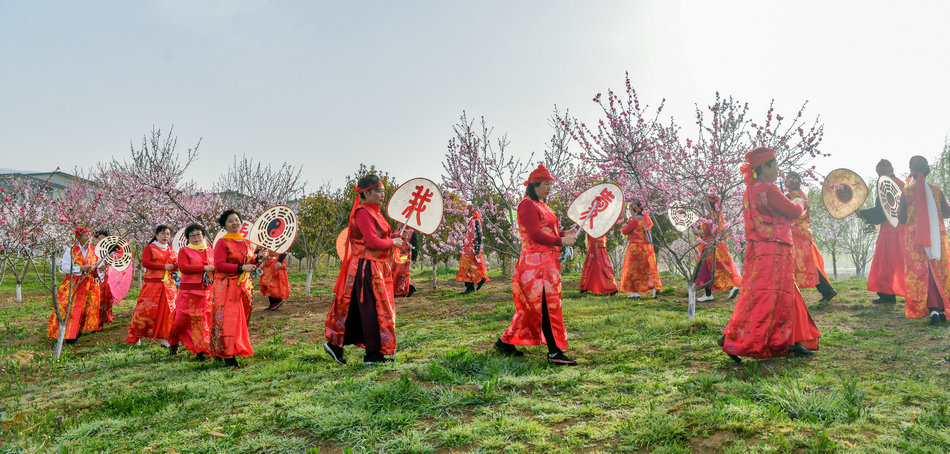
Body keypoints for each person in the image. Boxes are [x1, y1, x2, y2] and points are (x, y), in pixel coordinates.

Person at [720, 147, 820, 361]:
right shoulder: (769, 190)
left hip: (758, 250)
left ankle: (792, 341)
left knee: (773, 293)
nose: (777, 170)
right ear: (764, 167)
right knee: (769, 296)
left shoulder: (751, 190)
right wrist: (800, 201)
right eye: (774, 165)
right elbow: (793, 212)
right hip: (775, 249)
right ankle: (734, 337)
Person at [494, 164, 580, 366]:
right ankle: (554, 352)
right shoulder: (527, 205)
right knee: (546, 307)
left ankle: (505, 343)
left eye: (551, 184)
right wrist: (561, 242)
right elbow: (534, 234)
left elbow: (550, 232)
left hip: (548, 265)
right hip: (535, 267)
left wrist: (565, 234)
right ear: (534, 185)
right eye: (545, 184)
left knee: (533, 308)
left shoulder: (544, 205)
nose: (549, 188)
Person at [324, 175, 405, 365]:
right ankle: (372, 355)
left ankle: (336, 345)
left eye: (383, 190)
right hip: (366, 267)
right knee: (372, 310)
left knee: (358, 309)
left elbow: (380, 238)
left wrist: (396, 237)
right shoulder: (362, 213)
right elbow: (373, 241)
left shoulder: (376, 212)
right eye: (378, 190)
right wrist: (392, 241)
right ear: (366, 193)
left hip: (377, 267)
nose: (382, 194)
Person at [898, 156, 950, 325]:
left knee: (922, 272)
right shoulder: (936, 190)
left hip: (915, 240)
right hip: (938, 238)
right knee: (938, 270)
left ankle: (930, 309)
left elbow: (902, 218)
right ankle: (940, 308)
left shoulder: (907, 192)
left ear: (911, 171)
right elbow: (947, 212)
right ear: (926, 170)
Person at [210, 210, 257, 366]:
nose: (235, 223)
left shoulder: (247, 243)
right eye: (230, 221)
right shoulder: (222, 243)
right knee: (228, 320)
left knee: (240, 320)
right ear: (224, 225)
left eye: (237, 220)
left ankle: (233, 348)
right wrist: (241, 267)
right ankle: (227, 354)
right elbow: (219, 265)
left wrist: (257, 260)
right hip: (227, 286)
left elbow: (251, 262)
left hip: (244, 286)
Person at [857, 159, 906, 304]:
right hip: (901, 228)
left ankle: (887, 295)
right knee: (897, 263)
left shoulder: (885, 185)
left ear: (889, 170)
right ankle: (889, 294)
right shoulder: (902, 184)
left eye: (880, 172)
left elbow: (883, 211)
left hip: (890, 231)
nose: (879, 175)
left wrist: (863, 213)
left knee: (886, 262)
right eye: (878, 172)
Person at [784, 172, 837, 302]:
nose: (786, 182)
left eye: (789, 180)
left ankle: (827, 291)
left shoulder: (791, 196)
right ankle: (827, 291)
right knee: (806, 265)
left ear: (796, 181)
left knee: (803, 265)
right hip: (803, 234)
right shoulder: (801, 195)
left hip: (796, 235)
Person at [125, 225, 178, 347]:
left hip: (168, 285)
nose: (166, 236)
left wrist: (175, 266)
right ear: (156, 234)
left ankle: (165, 338)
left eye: (168, 234)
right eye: (163, 233)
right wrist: (163, 267)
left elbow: (174, 265)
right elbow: (146, 263)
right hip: (152, 284)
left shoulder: (171, 250)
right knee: (145, 310)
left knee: (168, 311)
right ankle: (136, 335)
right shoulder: (150, 248)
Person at [47, 227, 101, 344]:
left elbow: (98, 269)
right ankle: (69, 336)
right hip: (74, 284)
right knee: (71, 310)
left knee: (86, 310)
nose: (89, 238)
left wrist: (101, 269)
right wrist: (80, 268)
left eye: (90, 236)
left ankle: (78, 332)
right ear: (78, 238)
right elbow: (65, 267)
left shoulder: (95, 251)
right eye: (86, 236)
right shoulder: (71, 250)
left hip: (90, 285)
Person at [168, 224, 214, 360]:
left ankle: (201, 349)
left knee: (202, 320)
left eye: (198, 234)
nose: (196, 238)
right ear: (188, 238)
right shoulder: (184, 251)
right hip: (189, 291)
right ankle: (174, 340)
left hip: (207, 291)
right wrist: (204, 268)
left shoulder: (211, 251)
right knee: (182, 319)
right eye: (192, 236)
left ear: (203, 235)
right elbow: (184, 268)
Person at [693, 195, 741, 302]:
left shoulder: (711, 217)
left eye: (705, 203)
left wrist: (697, 232)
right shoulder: (717, 215)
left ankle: (729, 287)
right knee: (719, 268)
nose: (704, 205)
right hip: (718, 245)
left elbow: (708, 232)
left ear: (709, 205)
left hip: (710, 246)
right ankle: (711, 293)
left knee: (709, 269)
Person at [618, 202, 661, 298]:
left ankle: (635, 292)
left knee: (634, 269)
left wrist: (625, 225)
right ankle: (654, 287)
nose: (629, 211)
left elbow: (625, 231)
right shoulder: (645, 219)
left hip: (636, 247)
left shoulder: (635, 220)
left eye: (630, 209)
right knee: (648, 268)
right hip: (647, 247)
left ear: (635, 210)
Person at [456, 205, 489, 294]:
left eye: (466, 211)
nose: (465, 213)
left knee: (470, 266)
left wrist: (477, 248)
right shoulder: (470, 221)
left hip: (471, 247)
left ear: (470, 211)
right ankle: (476, 282)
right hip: (467, 247)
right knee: (468, 266)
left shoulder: (476, 221)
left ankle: (474, 284)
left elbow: (478, 235)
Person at [93, 229, 116, 329]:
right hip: (95, 278)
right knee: (95, 300)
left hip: (107, 279)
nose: (100, 240)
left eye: (103, 238)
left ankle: (101, 321)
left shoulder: (111, 252)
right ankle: (95, 322)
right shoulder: (92, 251)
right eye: (99, 238)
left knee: (105, 300)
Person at [393, 228, 417, 298]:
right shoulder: (396, 230)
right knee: (394, 273)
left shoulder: (412, 232)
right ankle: (402, 290)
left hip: (405, 257)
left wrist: (414, 258)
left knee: (401, 274)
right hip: (395, 255)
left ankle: (400, 292)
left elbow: (414, 246)